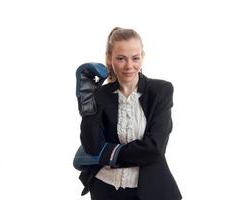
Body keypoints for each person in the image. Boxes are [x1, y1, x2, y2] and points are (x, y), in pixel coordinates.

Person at [74, 27, 182, 200]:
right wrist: (87, 106)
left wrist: (108, 153)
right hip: (104, 189)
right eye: (121, 58)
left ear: (143, 57)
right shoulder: (100, 95)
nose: (129, 66)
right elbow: (93, 147)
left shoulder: (161, 91)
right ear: (110, 58)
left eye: (135, 58)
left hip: (149, 191)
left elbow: (154, 149)